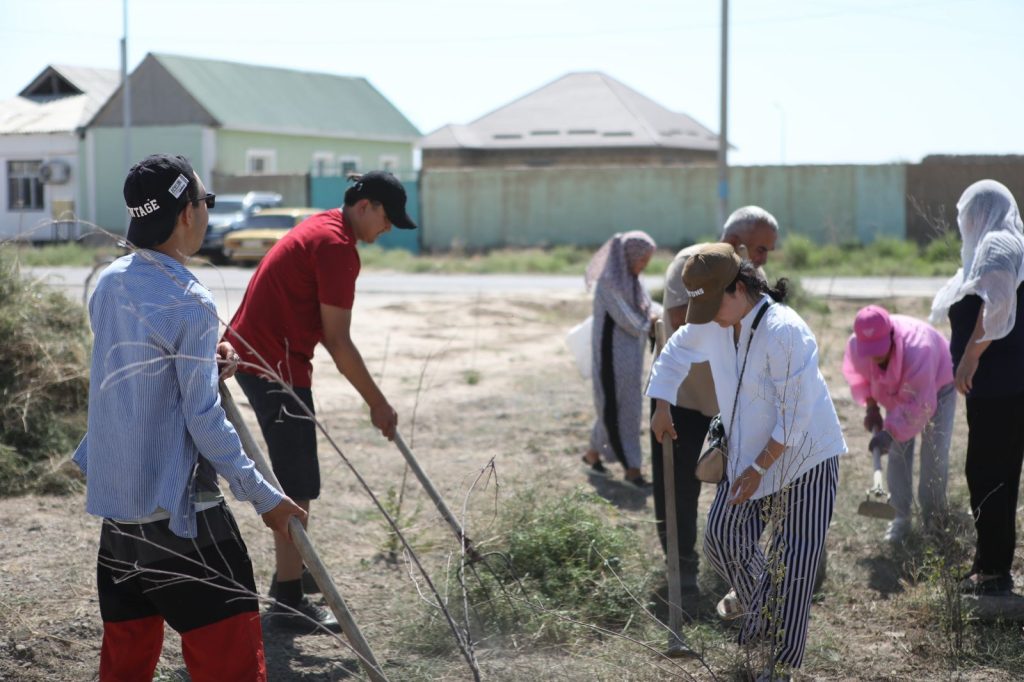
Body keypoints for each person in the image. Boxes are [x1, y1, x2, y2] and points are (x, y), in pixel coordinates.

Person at [73, 154, 305, 680]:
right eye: (207, 202)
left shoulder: (110, 282)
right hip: (183, 525)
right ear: (186, 212)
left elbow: (139, 378)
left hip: (121, 521)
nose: (207, 213)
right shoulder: (190, 300)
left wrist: (204, 366)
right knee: (233, 667)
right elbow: (203, 421)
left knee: (125, 666)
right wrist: (264, 498)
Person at [225, 171, 417, 630]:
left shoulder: (325, 227)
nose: (388, 230)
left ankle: (295, 576)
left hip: (262, 357)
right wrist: (378, 403)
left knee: (298, 479)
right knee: (297, 485)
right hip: (274, 366)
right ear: (366, 206)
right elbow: (339, 340)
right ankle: (289, 600)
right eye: (388, 219)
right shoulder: (335, 247)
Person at [648, 243, 846, 678]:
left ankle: (776, 663)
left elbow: (794, 419)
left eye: (715, 304)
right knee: (721, 536)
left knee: (793, 562)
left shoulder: (785, 331)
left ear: (738, 288)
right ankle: (762, 608)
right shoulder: (718, 322)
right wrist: (662, 403)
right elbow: (677, 348)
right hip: (748, 455)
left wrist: (759, 469)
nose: (711, 317)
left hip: (804, 458)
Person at [649, 206, 779, 593]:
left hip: (732, 405)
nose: (763, 259)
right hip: (685, 401)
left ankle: (738, 569)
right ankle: (681, 569)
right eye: (759, 249)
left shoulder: (753, 277)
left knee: (740, 487)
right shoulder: (690, 264)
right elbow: (679, 320)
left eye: (768, 251)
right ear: (736, 241)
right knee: (678, 490)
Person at [930, 179, 1024, 597]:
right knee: (997, 475)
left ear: (980, 211)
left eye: (967, 212)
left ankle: (992, 573)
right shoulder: (995, 246)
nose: (962, 222)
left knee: (988, 475)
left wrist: (969, 356)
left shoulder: (999, 245)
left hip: (1001, 387)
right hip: (1000, 387)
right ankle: (990, 565)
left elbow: (998, 304)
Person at [841, 305, 954, 544]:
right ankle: (900, 517)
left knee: (934, 456)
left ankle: (934, 519)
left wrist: (889, 432)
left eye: (879, 350)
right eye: (869, 351)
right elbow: (859, 376)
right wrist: (872, 407)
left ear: (891, 335)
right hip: (899, 390)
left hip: (937, 385)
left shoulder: (918, 349)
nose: (874, 356)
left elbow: (921, 403)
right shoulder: (856, 345)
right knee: (897, 454)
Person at [581, 230, 659, 488]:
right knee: (621, 410)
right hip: (611, 360)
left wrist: (660, 316)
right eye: (642, 260)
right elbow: (631, 320)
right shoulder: (609, 284)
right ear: (628, 256)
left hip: (630, 359)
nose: (644, 266)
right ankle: (632, 470)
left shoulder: (633, 280)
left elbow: (648, 307)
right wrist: (654, 323)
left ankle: (592, 456)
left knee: (617, 408)